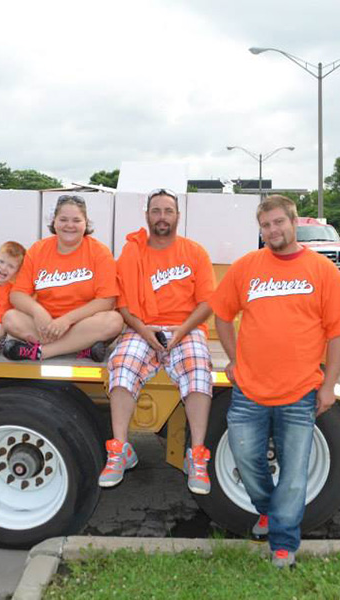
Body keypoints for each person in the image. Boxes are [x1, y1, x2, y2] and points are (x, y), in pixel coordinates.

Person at [211, 195, 340, 568]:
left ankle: (283, 543)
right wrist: (235, 359)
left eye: (278, 223)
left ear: (293, 222)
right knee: (247, 459)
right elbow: (222, 314)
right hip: (249, 389)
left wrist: (329, 385)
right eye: (266, 226)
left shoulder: (322, 271)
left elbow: (335, 334)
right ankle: (268, 508)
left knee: (295, 472)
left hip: (300, 390)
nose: (272, 230)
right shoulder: (247, 267)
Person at [101, 188, 215, 494]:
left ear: (178, 215)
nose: (162, 217)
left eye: (168, 210)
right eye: (156, 211)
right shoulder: (131, 252)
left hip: (186, 327)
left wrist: (181, 330)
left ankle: (197, 455)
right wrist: (144, 331)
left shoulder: (194, 252)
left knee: (198, 370)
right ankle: (120, 450)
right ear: (147, 215)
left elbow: (206, 303)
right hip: (142, 326)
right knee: (122, 365)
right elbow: (123, 306)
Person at [2, 195, 123, 361]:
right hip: (46, 325)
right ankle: (79, 348)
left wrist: (67, 320)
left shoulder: (99, 252)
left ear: (85, 223)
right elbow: (17, 294)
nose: (69, 225)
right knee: (10, 318)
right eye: (63, 219)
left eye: (76, 220)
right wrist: (38, 312)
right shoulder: (38, 249)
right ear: (54, 222)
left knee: (113, 321)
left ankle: (42, 352)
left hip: (83, 325)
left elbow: (106, 301)